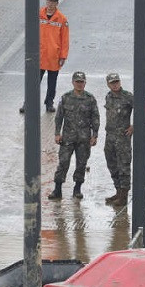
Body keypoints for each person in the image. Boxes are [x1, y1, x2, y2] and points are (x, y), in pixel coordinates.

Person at [50, 72, 99, 201]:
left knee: (81, 164)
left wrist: (95, 135)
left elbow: (95, 118)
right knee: (63, 163)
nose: (79, 84)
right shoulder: (66, 98)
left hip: (84, 139)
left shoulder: (90, 99)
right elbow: (59, 117)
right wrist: (57, 133)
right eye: (77, 81)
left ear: (85, 83)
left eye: (82, 82)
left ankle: (77, 189)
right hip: (67, 138)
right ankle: (57, 189)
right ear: (73, 82)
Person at [22, 0, 69, 114]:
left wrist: (63, 56)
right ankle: (27, 103)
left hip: (54, 56)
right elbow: (30, 33)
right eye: (49, 1)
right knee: (33, 82)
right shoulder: (38, 15)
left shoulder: (62, 19)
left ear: (57, 3)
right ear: (46, 1)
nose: (51, 4)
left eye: (53, 2)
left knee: (52, 83)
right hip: (39, 56)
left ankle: (49, 103)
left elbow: (65, 39)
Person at [101, 73, 134, 206]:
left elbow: (143, 110)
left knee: (124, 166)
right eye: (112, 83)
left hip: (122, 138)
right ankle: (118, 192)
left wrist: (134, 126)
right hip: (110, 137)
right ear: (108, 84)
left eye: (117, 82)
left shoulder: (128, 96)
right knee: (112, 164)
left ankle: (124, 197)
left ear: (120, 82)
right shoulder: (108, 96)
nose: (115, 85)